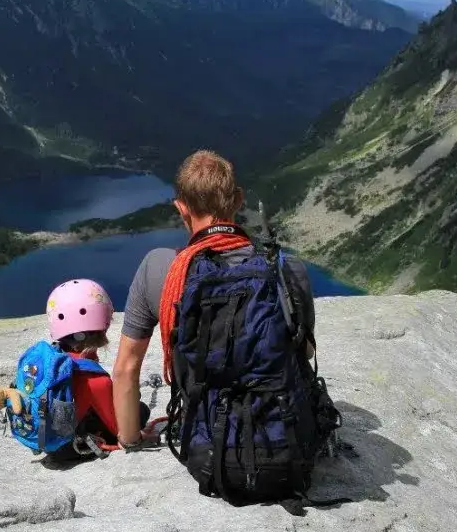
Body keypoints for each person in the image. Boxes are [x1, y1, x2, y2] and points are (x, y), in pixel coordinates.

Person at [111, 150, 317, 451]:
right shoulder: (285, 269)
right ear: (238, 200)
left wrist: (130, 439)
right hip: (283, 435)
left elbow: (126, 369)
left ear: (181, 208)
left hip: (206, 444)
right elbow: (305, 352)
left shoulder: (160, 269)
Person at [44, 279, 150, 461]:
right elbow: (119, 429)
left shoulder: (52, 359)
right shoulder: (94, 379)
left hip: (49, 439)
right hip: (71, 447)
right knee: (139, 410)